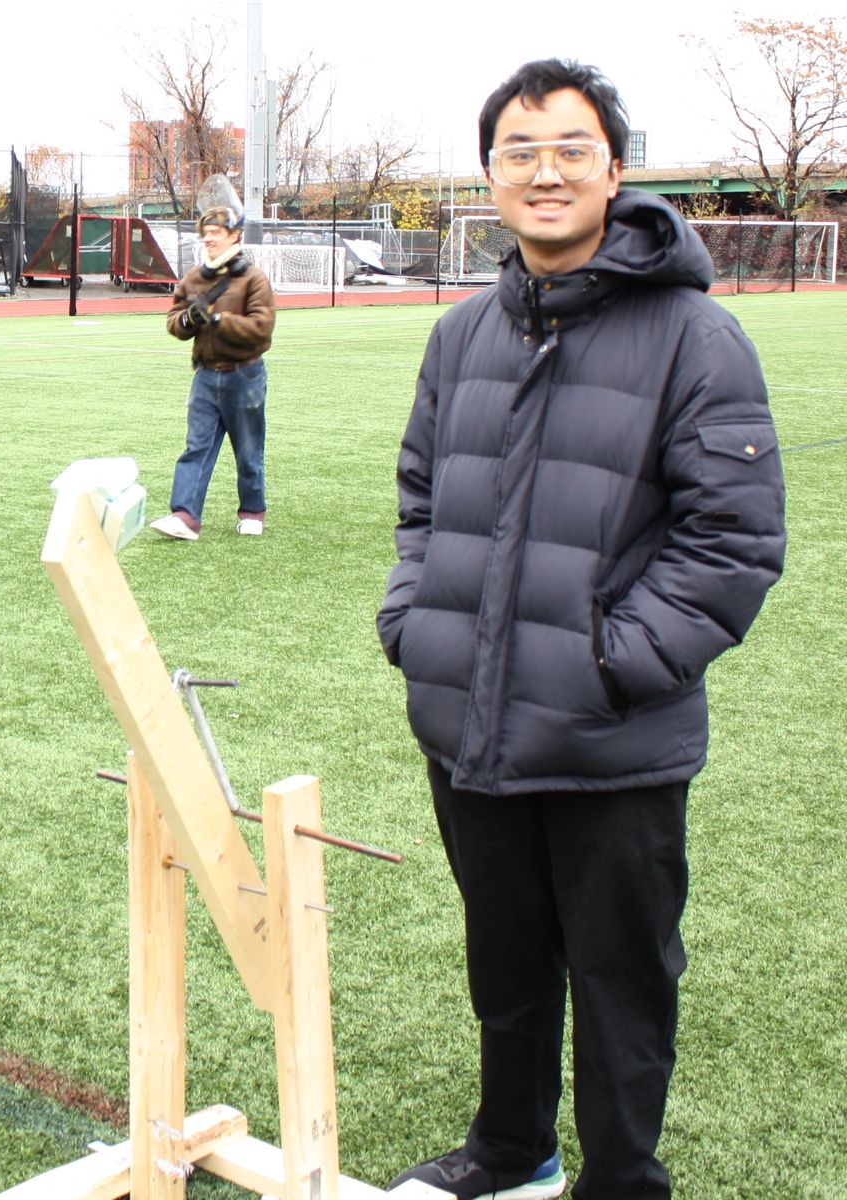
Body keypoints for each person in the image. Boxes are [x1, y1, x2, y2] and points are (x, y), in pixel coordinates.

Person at [376, 60, 785, 1200]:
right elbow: (420, 499)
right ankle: (512, 1151)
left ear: (616, 167)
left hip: (612, 741)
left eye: (569, 147)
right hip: (469, 723)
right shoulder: (461, 336)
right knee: (506, 965)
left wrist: (613, 665)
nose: (543, 170)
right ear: (491, 175)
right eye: (519, 150)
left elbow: (733, 544)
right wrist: (417, 624)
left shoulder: (696, 338)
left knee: (620, 980)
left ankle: (620, 1178)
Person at [149, 175, 276, 540]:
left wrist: (219, 320)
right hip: (205, 375)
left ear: (234, 235)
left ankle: (252, 510)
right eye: (205, 233)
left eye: (216, 232)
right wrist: (189, 319)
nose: (208, 238)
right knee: (196, 447)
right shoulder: (192, 279)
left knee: (249, 449)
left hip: (245, 375)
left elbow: (261, 329)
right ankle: (185, 516)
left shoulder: (254, 280)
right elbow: (174, 322)